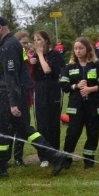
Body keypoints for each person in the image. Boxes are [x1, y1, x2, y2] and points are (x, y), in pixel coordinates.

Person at [0, 16, 65, 179]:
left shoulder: (9, 47)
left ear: (0, 28)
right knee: (24, 129)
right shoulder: (9, 45)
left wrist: (13, 103)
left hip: (9, 97)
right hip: (15, 95)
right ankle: (55, 156)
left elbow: (10, 76)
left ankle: (0, 167)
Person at [59, 37, 99, 169]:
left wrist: (89, 89)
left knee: (93, 132)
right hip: (76, 106)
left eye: (81, 48)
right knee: (73, 132)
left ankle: (89, 158)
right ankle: (67, 158)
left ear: (87, 49)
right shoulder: (69, 67)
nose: (78, 51)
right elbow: (64, 85)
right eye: (76, 48)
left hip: (94, 105)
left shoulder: (96, 64)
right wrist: (76, 86)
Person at [31, 30, 64, 167]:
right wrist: (31, 61)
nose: (36, 42)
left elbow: (47, 70)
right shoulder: (33, 57)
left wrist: (39, 55)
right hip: (39, 89)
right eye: (35, 40)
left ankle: (54, 153)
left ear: (46, 41)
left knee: (53, 123)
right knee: (42, 123)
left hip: (54, 89)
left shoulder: (55, 55)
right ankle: (43, 155)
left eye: (39, 39)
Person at [12, 30, 34, 166]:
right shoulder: (14, 56)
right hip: (15, 97)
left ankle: (18, 157)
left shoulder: (28, 56)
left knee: (23, 126)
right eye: (22, 43)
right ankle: (9, 158)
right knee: (16, 127)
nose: (25, 45)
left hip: (26, 95)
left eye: (27, 43)